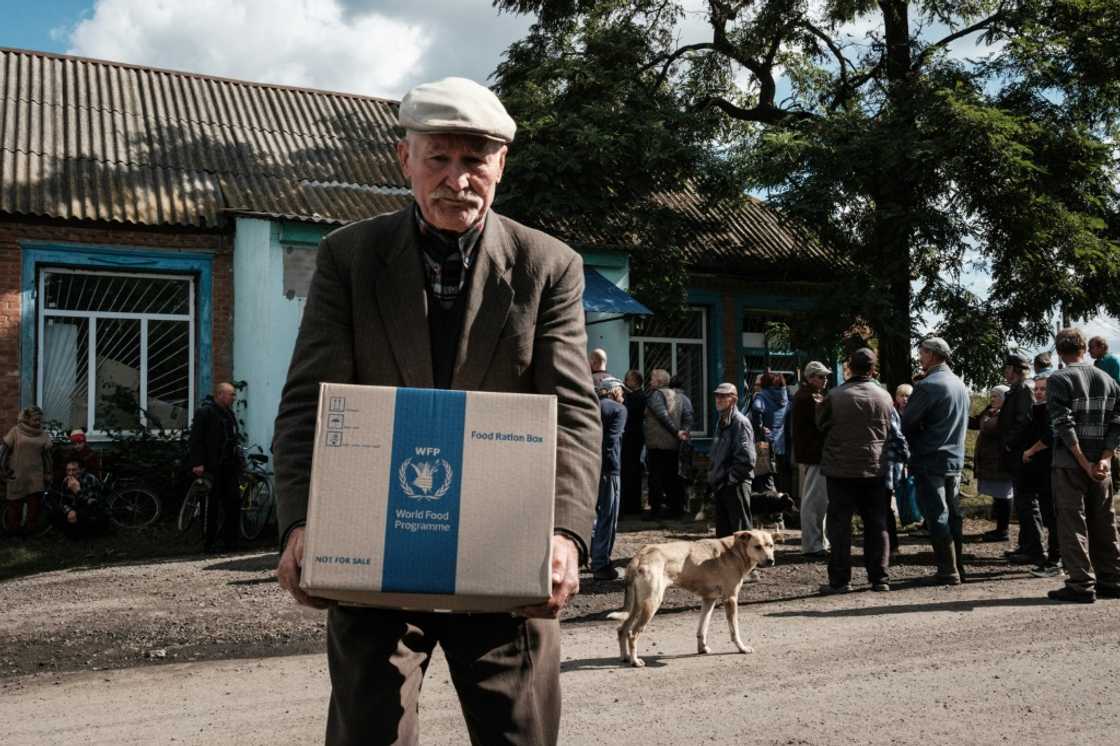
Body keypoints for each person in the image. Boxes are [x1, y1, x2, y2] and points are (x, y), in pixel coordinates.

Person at [272, 77, 601, 745]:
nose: (458, 180)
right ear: (405, 161)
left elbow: (571, 413)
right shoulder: (349, 258)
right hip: (376, 548)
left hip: (504, 549)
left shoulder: (548, 266)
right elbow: (311, 400)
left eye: (475, 159)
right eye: (439, 158)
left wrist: (565, 536)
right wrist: (303, 522)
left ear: (501, 164)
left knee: (520, 734)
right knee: (370, 733)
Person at [1044, 328, 1120, 603]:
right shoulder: (1108, 379)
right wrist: (1105, 458)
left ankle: (1081, 584)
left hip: (1069, 463)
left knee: (1072, 520)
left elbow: (1063, 425)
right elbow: (1117, 422)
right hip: (1101, 464)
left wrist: (1084, 462)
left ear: (1059, 351)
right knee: (1104, 520)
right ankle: (1111, 578)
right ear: (1084, 349)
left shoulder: (1059, 378)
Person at [816, 348, 895, 593]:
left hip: (841, 470)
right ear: (872, 369)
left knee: (840, 526)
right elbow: (891, 431)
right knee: (877, 523)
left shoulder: (835, 395)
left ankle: (840, 580)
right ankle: (879, 577)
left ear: (850, 367)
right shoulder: (884, 397)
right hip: (875, 468)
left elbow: (821, 424)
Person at [901, 337, 971, 585]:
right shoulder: (960, 384)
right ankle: (957, 567)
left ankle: (947, 569)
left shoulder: (929, 385)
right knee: (953, 513)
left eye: (921, 353)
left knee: (937, 513)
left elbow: (907, 422)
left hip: (930, 457)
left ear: (930, 355)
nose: (920, 358)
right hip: (954, 457)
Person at [999, 352, 1047, 566]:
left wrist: (1010, 442)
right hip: (1016, 454)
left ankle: (1035, 550)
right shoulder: (1015, 390)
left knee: (1027, 502)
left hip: (1023, 454)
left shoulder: (1025, 389)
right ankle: (1026, 545)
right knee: (1022, 502)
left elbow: (1024, 421)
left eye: (1007, 367)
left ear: (1014, 369)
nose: (1004, 372)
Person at [188, 382, 242, 553]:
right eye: (231, 394)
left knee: (233, 501)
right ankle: (209, 542)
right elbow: (196, 439)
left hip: (229, 466)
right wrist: (198, 463)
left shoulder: (229, 414)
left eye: (234, 394)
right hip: (212, 466)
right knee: (211, 505)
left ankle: (230, 541)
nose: (234, 398)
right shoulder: (205, 412)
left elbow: (232, 437)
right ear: (220, 394)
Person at [1022, 371, 1062, 578]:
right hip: (1041, 471)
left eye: (1043, 389)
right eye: (1036, 389)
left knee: (1053, 516)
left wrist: (1031, 450)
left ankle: (1055, 561)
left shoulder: (1052, 410)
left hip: (1051, 469)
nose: (1038, 392)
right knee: (1049, 515)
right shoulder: (1038, 409)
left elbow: (1050, 435)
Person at [707, 382, 757, 537]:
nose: (719, 399)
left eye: (723, 396)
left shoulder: (740, 422)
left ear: (733, 399)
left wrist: (732, 479)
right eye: (717, 396)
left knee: (741, 534)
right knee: (724, 536)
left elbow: (747, 457)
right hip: (723, 484)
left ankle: (746, 561)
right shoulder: (721, 421)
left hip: (736, 485)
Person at [790, 361, 829, 557]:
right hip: (815, 454)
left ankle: (819, 541)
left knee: (818, 500)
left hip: (814, 454)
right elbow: (822, 424)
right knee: (814, 501)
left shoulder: (806, 396)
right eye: (821, 376)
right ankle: (813, 544)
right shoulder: (808, 397)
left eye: (825, 376)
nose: (825, 380)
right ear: (811, 377)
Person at [643, 368, 692, 519]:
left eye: (652, 378)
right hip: (673, 445)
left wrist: (676, 431)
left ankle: (655, 511)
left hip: (658, 444)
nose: (650, 381)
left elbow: (662, 415)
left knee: (656, 478)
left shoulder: (656, 395)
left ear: (658, 382)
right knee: (671, 477)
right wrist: (682, 431)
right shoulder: (677, 395)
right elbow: (686, 416)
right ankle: (675, 509)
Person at [591, 377, 627, 581]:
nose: (623, 396)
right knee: (608, 515)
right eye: (621, 391)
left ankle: (590, 556)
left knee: (592, 516)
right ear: (614, 391)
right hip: (609, 469)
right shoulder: (618, 410)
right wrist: (610, 466)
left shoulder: (592, 406)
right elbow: (612, 441)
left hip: (588, 466)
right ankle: (601, 563)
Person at [971, 386, 1014, 543]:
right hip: (990, 460)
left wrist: (987, 418)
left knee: (1004, 495)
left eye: (996, 396)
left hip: (1001, 461)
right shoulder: (990, 411)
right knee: (998, 496)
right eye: (992, 396)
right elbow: (976, 422)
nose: (992, 399)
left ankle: (1003, 530)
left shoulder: (1007, 414)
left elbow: (992, 428)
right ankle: (999, 528)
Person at [1, 406, 53, 536]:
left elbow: (47, 457)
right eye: (35, 419)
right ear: (27, 418)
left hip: (36, 475)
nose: (38, 422)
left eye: (40, 420)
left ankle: (30, 531)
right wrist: (2, 469)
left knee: (34, 505)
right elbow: (4, 451)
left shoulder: (43, 434)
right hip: (16, 473)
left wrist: (48, 473)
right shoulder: (15, 431)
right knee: (15, 504)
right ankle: (13, 531)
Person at [750, 371, 789, 493]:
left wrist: (760, 427)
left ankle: (771, 506)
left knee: (766, 477)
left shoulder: (762, 395)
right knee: (781, 476)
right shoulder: (785, 395)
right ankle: (782, 503)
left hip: (766, 444)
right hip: (781, 443)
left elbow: (756, 408)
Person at [54, 460, 109, 540]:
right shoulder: (66, 480)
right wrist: (69, 511)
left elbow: (92, 503)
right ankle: (72, 534)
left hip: (94, 510)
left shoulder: (90, 479)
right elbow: (63, 501)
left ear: (81, 470)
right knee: (57, 511)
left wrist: (77, 491)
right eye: (68, 470)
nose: (70, 473)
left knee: (83, 514)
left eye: (74, 470)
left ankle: (90, 534)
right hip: (76, 507)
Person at [620, 369, 646, 516]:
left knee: (630, 472)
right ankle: (632, 505)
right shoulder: (636, 396)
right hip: (634, 438)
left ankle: (631, 506)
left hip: (632, 438)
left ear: (634, 381)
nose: (625, 381)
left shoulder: (638, 397)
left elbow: (629, 413)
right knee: (632, 472)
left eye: (627, 379)